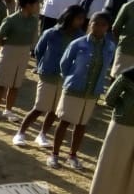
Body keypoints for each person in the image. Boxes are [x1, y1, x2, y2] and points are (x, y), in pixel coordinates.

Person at [49, 13, 116, 171]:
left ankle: (72, 155)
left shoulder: (110, 46)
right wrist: (72, 79)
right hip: (74, 89)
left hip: (92, 92)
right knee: (65, 121)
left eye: (103, 25)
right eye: (95, 23)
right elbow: (64, 64)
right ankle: (54, 154)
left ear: (107, 28)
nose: (98, 27)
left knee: (81, 124)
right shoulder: (78, 44)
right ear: (90, 24)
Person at [14, 5, 86, 148]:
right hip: (48, 75)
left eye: (82, 19)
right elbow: (39, 50)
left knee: (54, 110)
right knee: (40, 107)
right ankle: (21, 132)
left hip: (65, 79)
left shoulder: (80, 37)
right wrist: (43, 66)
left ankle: (42, 134)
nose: (81, 22)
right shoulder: (51, 33)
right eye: (79, 18)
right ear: (69, 18)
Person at [0, 0, 39, 123]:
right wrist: (9, 44)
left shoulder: (34, 21)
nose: (37, 7)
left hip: (24, 53)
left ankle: (8, 110)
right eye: (35, 4)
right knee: (1, 83)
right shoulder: (11, 19)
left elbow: (34, 38)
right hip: (9, 52)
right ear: (28, 5)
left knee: (15, 84)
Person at [89, 67, 134, 194]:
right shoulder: (129, 74)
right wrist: (124, 108)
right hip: (123, 123)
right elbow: (110, 98)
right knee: (111, 159)